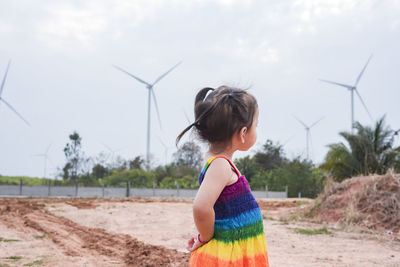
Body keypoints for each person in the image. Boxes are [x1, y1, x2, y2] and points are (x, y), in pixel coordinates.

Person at [176, 86, 269, 266]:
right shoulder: (220, 165)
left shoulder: (217, 161)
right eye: (256, 126)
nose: (256, 130)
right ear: (243, 133)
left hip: (235, 250)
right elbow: (201, 207)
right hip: (229, 256)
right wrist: (205, 237)